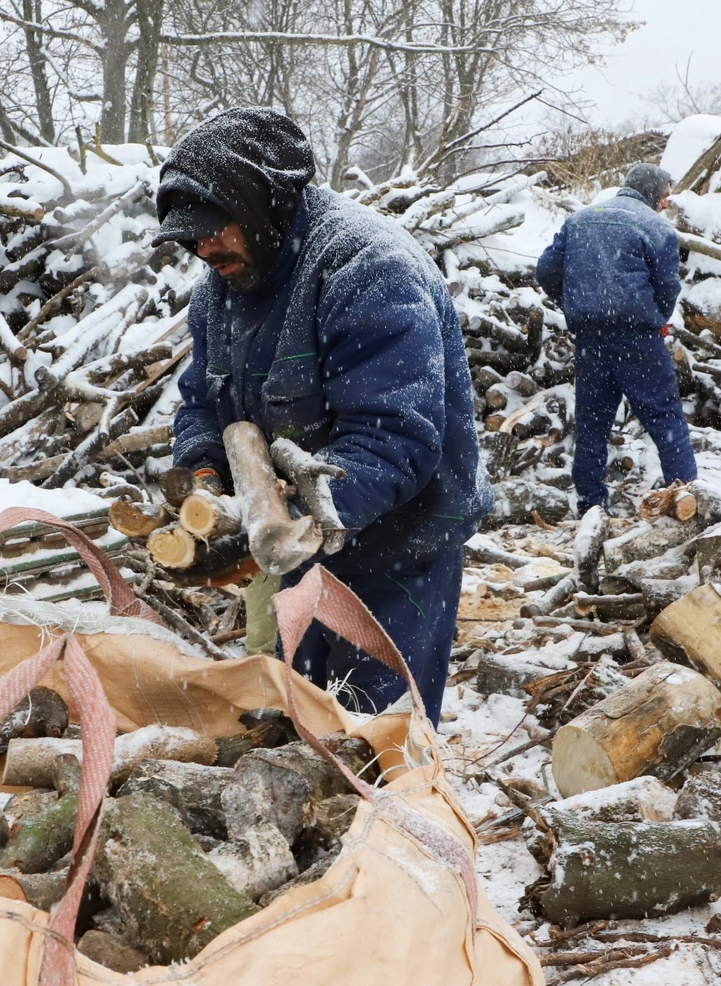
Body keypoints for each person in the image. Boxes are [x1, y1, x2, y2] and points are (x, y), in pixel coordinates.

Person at [154, 107, 491, 725]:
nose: (203, 247)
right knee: (308, 718)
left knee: (379, 735)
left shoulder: (367, 268)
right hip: (298, 543)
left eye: (214, 227)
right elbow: (203, 398)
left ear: (266, 201)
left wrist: (299, 513)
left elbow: (392, 438)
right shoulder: (219, 289)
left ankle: (398, 814)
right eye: (190, 235)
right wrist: (201, 480)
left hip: (400, 542)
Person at [535, 163, 698, 515]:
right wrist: (654, 317)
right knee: (667, 420)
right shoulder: (657, 229)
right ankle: (686, 499)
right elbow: (668, 288)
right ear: (654, 193)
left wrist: (574, 303)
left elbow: (545, 270)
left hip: (591, 339)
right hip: (638, 340)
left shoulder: (579, 220)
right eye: (667, 196)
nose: (668, 204)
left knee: (593, 424)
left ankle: (591, 507)